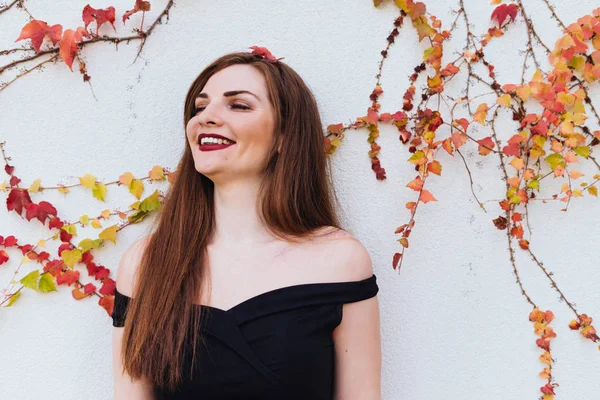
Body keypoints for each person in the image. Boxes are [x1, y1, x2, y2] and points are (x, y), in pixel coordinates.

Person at [111, 47, 381, 399]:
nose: (206, 117)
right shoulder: (146, 263)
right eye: (200, 106)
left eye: (238, 105)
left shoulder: (340, 261)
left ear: (285, 135)